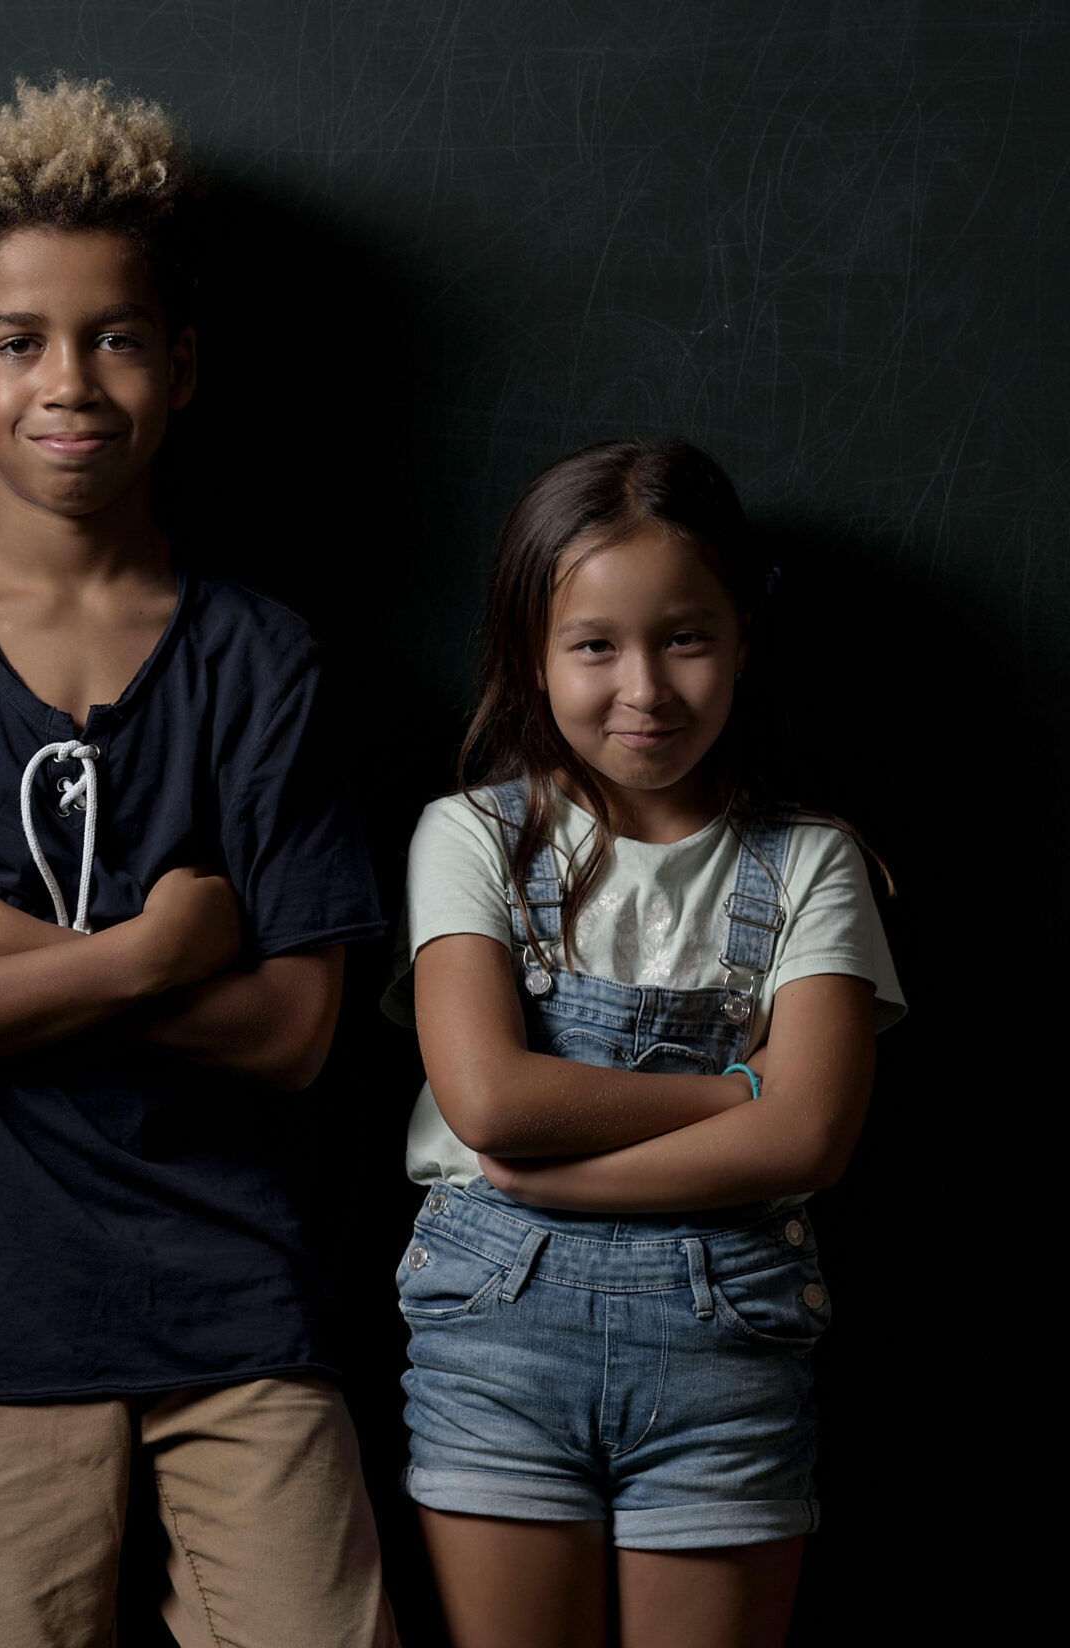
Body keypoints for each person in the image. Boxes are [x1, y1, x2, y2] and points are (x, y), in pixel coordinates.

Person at [0, 80, 398, 1648]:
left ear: (182, 367)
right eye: (19, 342)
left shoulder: (269, 661)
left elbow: (293, 1031)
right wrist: (144, 954)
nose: (70, 382)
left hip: (238, 1308)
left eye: (116, 337)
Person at [387, 438, 901, 1648]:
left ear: (740, 639)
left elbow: (815, 1134)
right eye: (593, 645)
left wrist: (548, 1161)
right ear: (531, 651)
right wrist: (736, 1094)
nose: (644, 690)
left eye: (684, 638)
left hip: (725, 1347)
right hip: (495, 1343)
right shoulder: (468, 839)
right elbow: (491, 1104)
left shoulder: (813, 859)